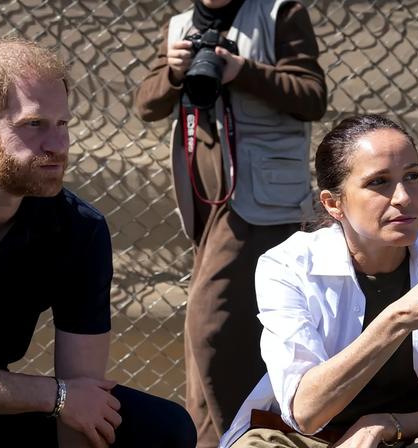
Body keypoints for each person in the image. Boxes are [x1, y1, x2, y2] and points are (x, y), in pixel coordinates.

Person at [0, 38, 196, 448]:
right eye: (34, 124)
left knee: (163, 427)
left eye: (63, 125)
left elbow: (83, 399)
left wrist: (65, 401)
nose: (58, 146)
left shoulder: (77, 228)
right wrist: (53, 396)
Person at [218, 115, 418, 448]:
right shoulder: (288, 266)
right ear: (333, 203)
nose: (403, 196)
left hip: (412, 436)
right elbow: (306, 412)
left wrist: (386, 424)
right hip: (310, 439)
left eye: (412, 176)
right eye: (379, 182)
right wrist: (398, 319)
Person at [134, 1, 327, 446]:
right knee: (205, 339)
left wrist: (242, 70)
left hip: (259, 204)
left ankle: (239, 440)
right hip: (207, 205)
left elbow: (312, 97)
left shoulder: (279, 12)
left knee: (210, 327)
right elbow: (146, 104)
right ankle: (208, 439)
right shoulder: (181, 25)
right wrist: (174, 71)